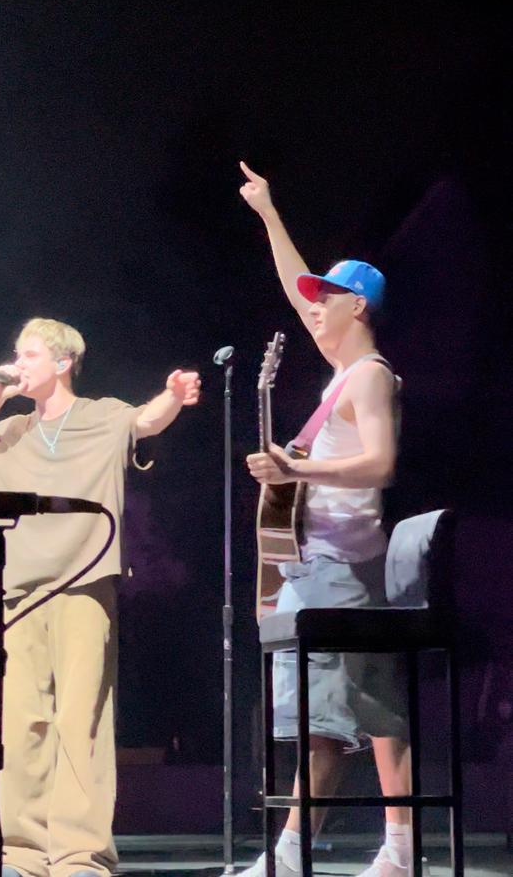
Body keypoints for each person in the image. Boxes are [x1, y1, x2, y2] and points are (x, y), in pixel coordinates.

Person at [0, 317, 200, 877]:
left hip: (84, 585)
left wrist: (174, 394)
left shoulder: (101, 415)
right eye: (16, 354)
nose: (18, 363)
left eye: (29, 355)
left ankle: (79, 855)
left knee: (81, 720)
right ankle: (23, 852)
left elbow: (149, 419)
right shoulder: (9, 429)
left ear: (62, 363)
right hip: (19, 594)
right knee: (22, 725)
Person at [239, 162, 412, 877]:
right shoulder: (342, 371)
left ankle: (382, 850)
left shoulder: (369, 376)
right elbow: (294, 285)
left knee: (354, 715)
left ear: (358, 308)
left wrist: (297, 469)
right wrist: (268, 214)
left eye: (328, 299)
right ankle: (314, 852)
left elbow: (380, 465)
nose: (314, 307)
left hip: (343, 562)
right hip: (317, 565)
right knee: (332, 718)